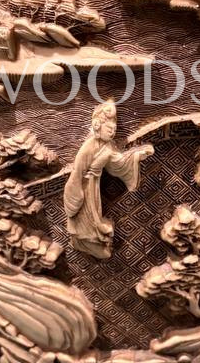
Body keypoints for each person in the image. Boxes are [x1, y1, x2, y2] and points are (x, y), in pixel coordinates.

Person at [64, 100, 153, 259]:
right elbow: (77, 171)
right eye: (109, 129)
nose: (112, 133)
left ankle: (93, 239)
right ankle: (83, 241)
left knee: (95, 214)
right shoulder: (89, 146)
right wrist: (76, 194)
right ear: (98, 127)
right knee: (85, 215)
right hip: (84, 186)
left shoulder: (109, 145)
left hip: (94, 185)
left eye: (114, 130)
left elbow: (119, 162)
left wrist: (137, 155)